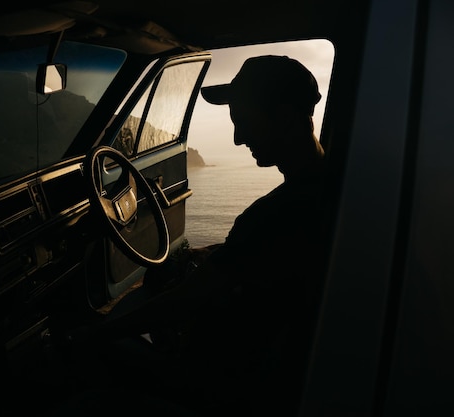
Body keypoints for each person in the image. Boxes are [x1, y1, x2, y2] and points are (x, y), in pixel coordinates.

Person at [67, 55, 329, 416]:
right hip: (265, 368)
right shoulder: (330, 190)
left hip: (225, 384)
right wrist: (218, 252)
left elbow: (184, 302)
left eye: (245, 123)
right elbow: (262, 256)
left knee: (95, 356)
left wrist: (92, 336)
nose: (238, 139)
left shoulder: (273, 214)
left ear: (284, 118)